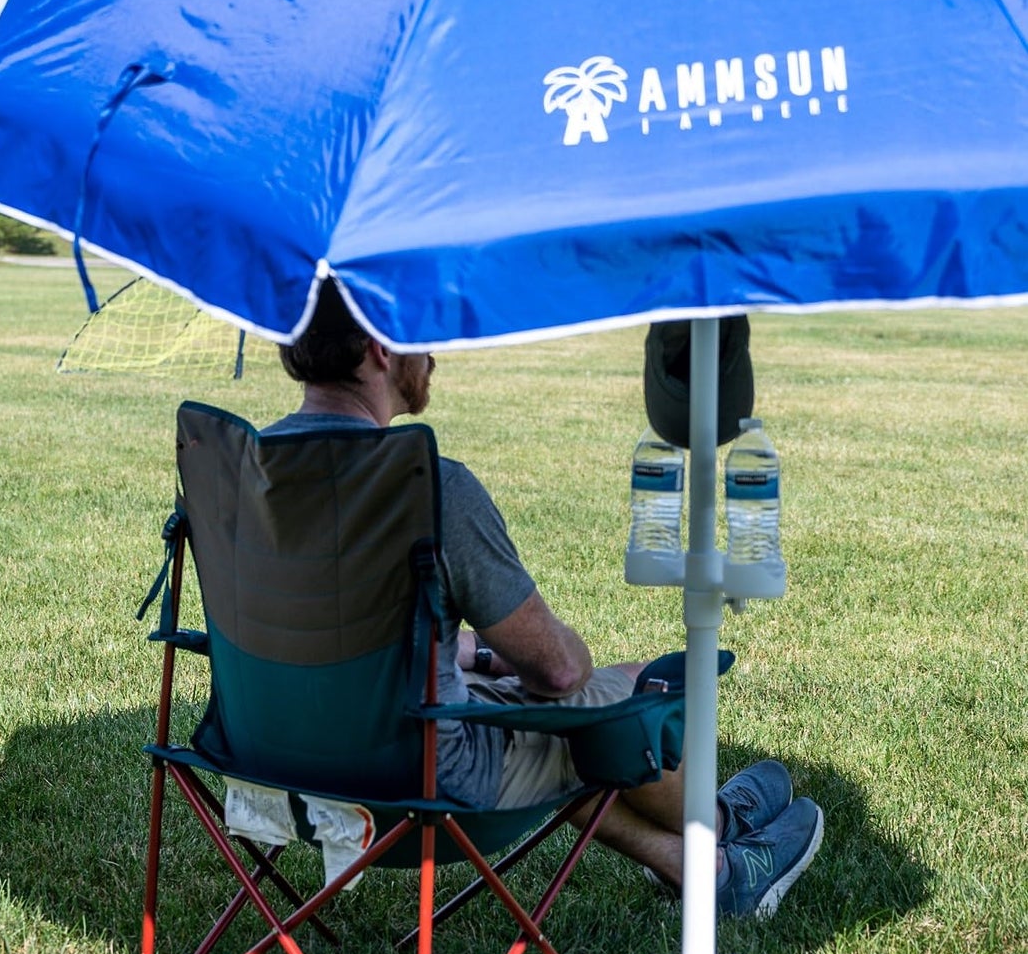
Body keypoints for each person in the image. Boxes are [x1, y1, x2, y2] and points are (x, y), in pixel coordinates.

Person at [269, 278, 823, 920]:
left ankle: (697, 868)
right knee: (617, 700)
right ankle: (722, 837)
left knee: (559, 713)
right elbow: (558, 669)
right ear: (379, 350)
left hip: (278, 764)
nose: (435, 353)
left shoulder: (241, 470)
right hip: (422, 779)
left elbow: (317, 630)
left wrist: (470, 656)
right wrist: (567, 663)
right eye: (421, 332)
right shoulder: (430, 489)